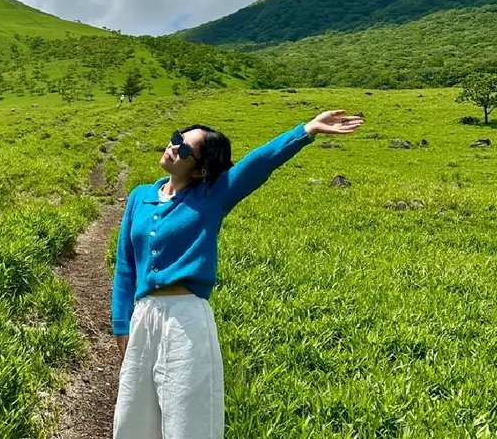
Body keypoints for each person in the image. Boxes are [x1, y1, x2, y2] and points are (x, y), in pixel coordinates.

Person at [111, 109, 363, 439]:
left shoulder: (211, 196)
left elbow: (257, 165)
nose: (173, 147)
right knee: (132, 420)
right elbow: (126, 266)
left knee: (187, 421)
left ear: (200, 169)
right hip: (143, 316)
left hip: (186, 319)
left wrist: (306, 130)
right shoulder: (138, 198)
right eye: (176, 139)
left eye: (184, 149)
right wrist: (121, 323)